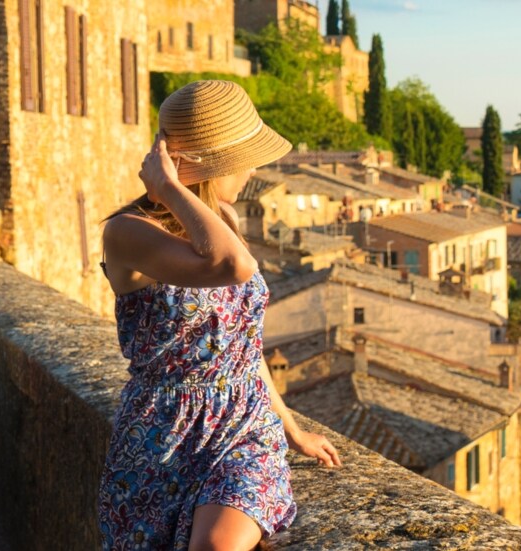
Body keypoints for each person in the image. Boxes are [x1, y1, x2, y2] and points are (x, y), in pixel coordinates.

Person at [96, 80, 342, 551]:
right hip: (158, 436)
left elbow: (242, 347)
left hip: (243, 425)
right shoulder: (127, 232)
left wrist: (291, 431)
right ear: (211, 165)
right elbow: (233, 267)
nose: (251, 170)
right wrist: (168, 187)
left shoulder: (224, 222)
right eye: (243, 158)